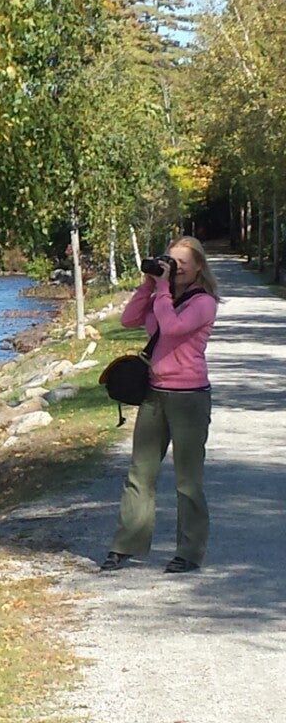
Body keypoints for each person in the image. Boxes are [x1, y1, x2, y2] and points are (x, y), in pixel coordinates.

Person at [100, 235, 219, 574]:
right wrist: (147, 285)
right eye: (171, 262)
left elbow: (171, 327)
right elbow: (127, 320)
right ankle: (125, 545)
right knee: (140, 472)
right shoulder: (161, 295)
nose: (175, 268)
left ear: (198, 267)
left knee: (188, 479)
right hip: (155, 392)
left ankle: (189, 552)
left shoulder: (203, 302)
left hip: (189, 397)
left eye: (182, 263)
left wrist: (162, 290)